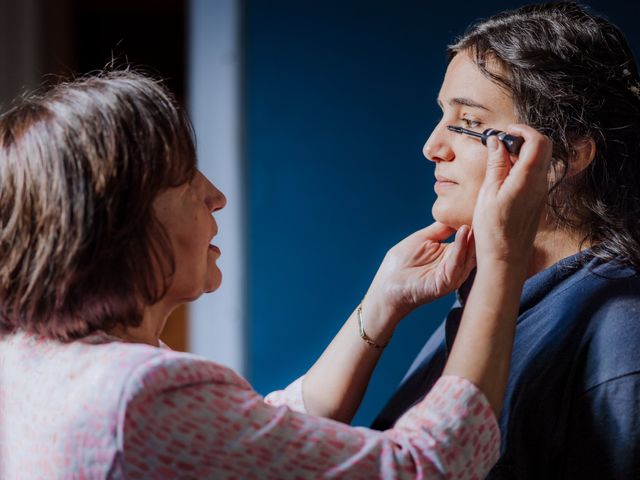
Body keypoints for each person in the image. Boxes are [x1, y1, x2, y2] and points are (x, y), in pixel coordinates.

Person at [0, 70, 550, 478]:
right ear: (117, 220)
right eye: (184, 179)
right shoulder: (131, 396)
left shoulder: (32, 356)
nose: (215, 196)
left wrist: (379, 306)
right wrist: (502, 258)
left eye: (469, 124)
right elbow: (430, 467)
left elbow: (246, 437)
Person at [365, 2, 640, 478]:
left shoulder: (621, 331)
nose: (432, 147)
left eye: (468, 123)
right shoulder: (487, 305)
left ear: (569, 155)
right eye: (442, 115)